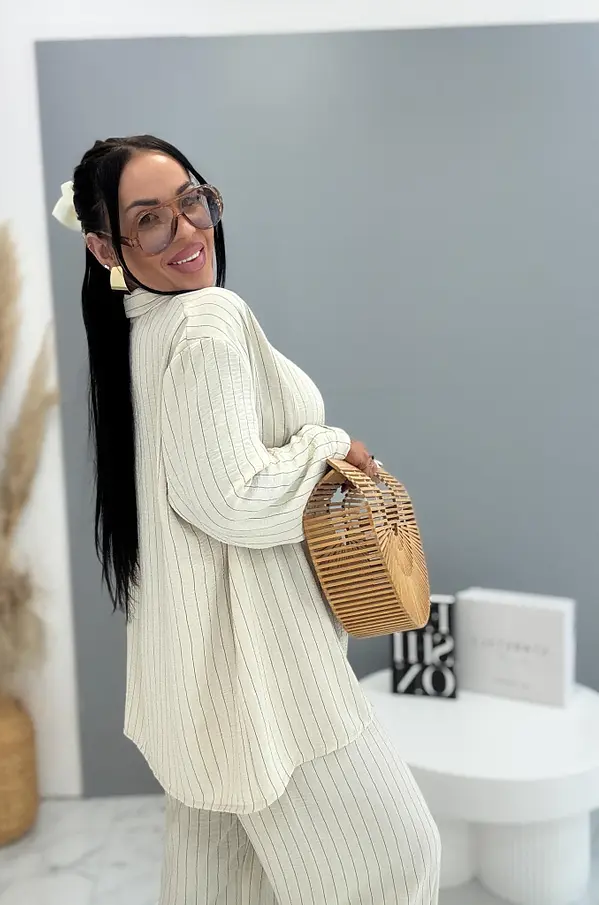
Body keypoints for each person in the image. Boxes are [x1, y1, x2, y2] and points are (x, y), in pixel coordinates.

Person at [52, 135, 440, 904]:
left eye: (191, 201)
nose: (186, 231)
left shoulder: (139, 332)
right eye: (149, 219)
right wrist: (331, 447)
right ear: (103, 247)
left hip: (199, 683)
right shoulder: (207, 319)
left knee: (225, 888)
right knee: (396, 863)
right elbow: (230, 497)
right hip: (267, 675)